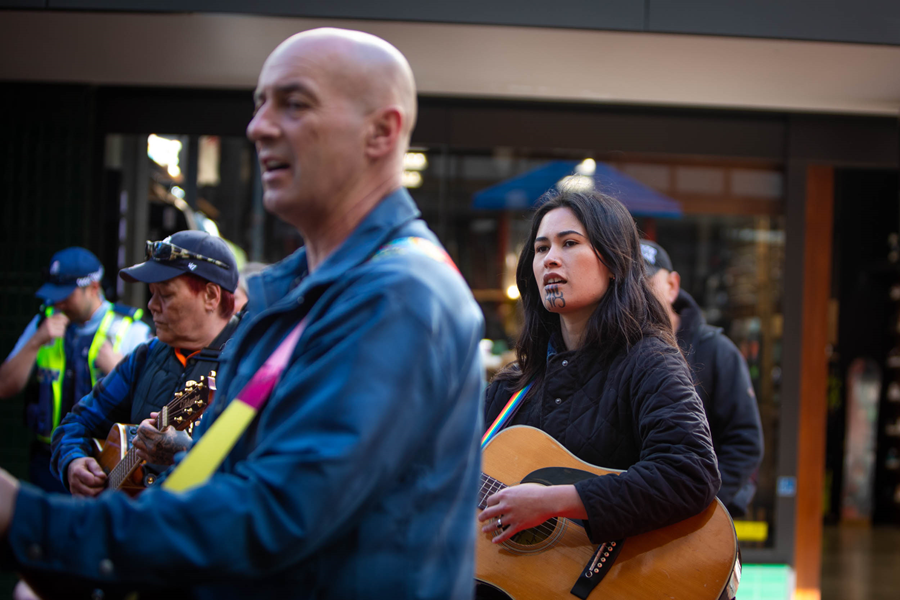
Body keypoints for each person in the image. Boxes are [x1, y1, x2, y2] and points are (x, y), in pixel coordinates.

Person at [0, 27, 484, 600]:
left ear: (382, 131)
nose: (258, 126)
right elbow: (228, 483)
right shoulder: (307, 295)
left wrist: (26, 520)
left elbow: (272, 513)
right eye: (259, 105)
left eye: (294, 103)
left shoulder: (400, 295)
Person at [477, 190, 720, 558]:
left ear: (613, 262)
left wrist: (554, 502)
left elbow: (690, 472)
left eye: (569, 243)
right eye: (541, 249)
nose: (550, 260)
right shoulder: (512, 387)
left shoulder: (649, 361)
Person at [51, 229, 241, 497]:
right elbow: (75, 424)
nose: (151, 305)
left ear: (211, 296)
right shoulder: (146, 355)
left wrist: (188, 452)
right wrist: (72, 462)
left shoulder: (250, 367)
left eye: (165, 294)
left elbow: (258, 474)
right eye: (152, 293)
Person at [0, 247, 150, 493]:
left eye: (66, 295)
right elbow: (5, 387)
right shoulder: (44, 323)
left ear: (93, 287)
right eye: (53, 294)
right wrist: (36, 341)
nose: (57, 302)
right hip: (49, 461)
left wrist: (116, 367)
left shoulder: (130, 329)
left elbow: (153, 406)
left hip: (103, 462)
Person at [641, 239, 764, 517]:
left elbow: (745, 443)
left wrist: (705, 503)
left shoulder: (718, 351)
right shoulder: (615, 350)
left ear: (672, 285)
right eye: (627, 282)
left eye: (646, 280)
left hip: (702, 522)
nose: (636, 291)